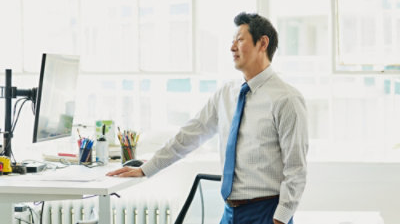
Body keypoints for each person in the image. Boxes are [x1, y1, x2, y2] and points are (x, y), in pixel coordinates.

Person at [107, 12, 308, 224]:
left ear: (263, 43)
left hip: (266, 213)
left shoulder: (287, 99)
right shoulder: (226, 93)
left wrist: (281, 219)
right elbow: (189, 136)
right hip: (229, 213)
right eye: (232, 41)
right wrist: (145, 169)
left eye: (240, 40)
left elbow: (296, 169)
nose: (232, 48)